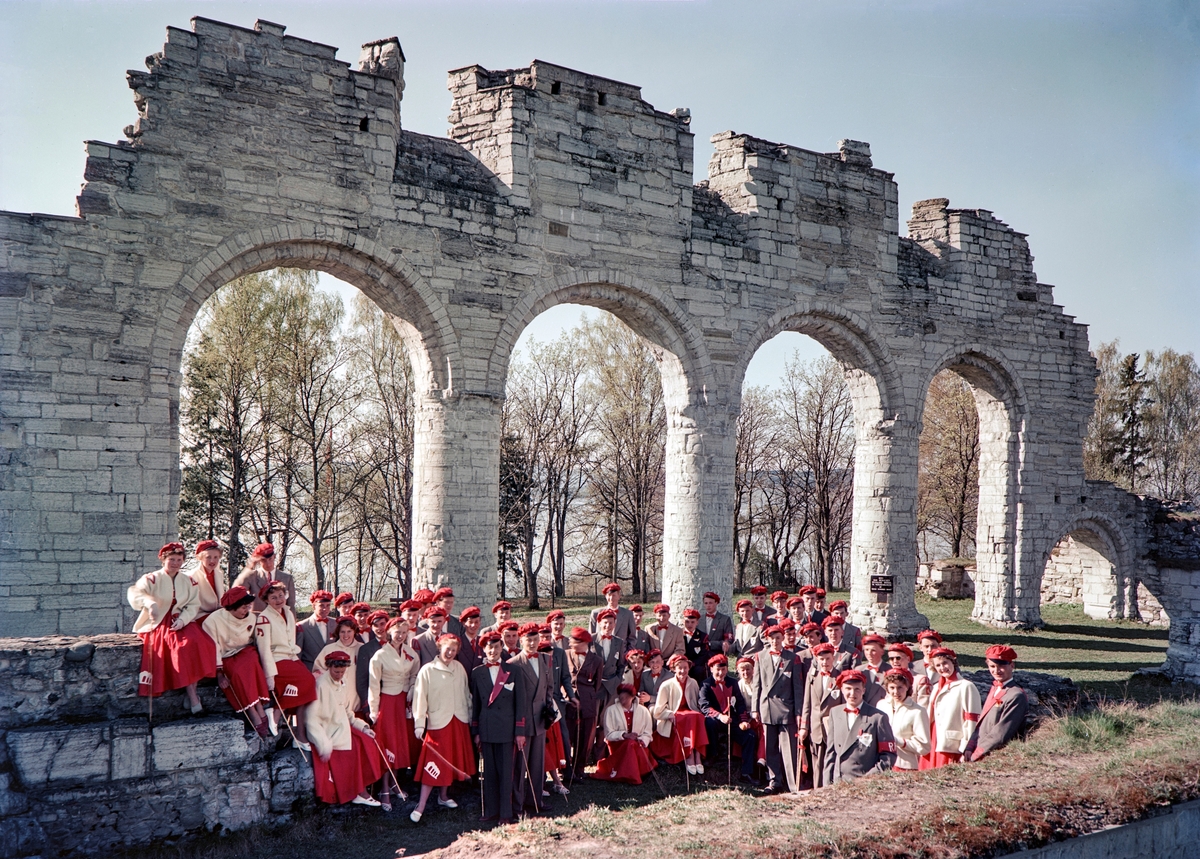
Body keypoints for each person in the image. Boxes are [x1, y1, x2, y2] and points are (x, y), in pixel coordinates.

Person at [127, 542, 216, 714]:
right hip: (160, 622)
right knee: (182, 647)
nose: (175, 563)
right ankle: (193, 697)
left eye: (179, 560)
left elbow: (193, 604)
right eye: (172, 559)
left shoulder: (189, 581)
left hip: (180, 620)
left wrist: (183, 620)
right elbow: (135, 592)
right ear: (163, 560)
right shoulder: (152, 579)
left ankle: (191, 693)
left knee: (203, 643)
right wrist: (150, 603)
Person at [410, 633, 476, 823]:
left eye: (454, 650)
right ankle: (421, 805)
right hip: (438, 722)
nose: (450, 653)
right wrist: (419, 724)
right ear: (439, 648)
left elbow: (466, 694)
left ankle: (443, 796)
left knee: (451, 760)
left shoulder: (459, 668)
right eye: (448, 649)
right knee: (434, 761)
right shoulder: (427, 670)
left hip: (458, 720)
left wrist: (470, 718)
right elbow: (420, 699)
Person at [306, 649, 383, 807]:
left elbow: (347, 711)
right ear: (329, 667)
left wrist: (363, 727)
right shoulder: (321, 685)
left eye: (342, 672)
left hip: (342, 727)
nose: (339, 675)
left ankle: (363, 789)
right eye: (336, 671)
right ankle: (359, 792)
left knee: (369, 741)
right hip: (328, 731)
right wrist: (322, 743)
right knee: (355, 747)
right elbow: (311, 719)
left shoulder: (343, 681)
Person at [470, 631, 527, 824]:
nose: (493, 651)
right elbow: (476, 705)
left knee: (506, 773)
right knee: (489, 773)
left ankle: (505, 813)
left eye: (496, 647)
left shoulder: (514, 671)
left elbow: (521, 703)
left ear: (502, 648)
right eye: (489, 647)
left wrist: (520, 732)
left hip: (507, 730)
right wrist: (476, 731)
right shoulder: (477, 673)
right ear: (483, 649)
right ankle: (491, 810)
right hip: (486, 729)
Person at [202, 585, 270, 736]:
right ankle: (252, 711)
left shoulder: (251, 618)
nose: (247, 610)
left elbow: (254, 640)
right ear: (233, 606)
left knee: (251, 660)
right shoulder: (213, 621)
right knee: (238, 672)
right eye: (243, 607)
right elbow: (213, 648)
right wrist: (219, 673)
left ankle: (259, 706)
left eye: (248, 607)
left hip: (245, 652)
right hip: (225, 656)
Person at [255, 580, 315, 748]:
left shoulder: (288, 613)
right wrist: (270, 676)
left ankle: (297, 733)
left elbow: (291, 642)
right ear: (266, 600)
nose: (278, 600)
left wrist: (296, 660)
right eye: (273, 597)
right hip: (276, 660)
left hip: (290, 657)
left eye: (281, 596)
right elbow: (264, 649)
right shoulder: (264, 618)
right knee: (307, 681)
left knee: (308, 686)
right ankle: (277, 710)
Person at [368, 616, 419, 811]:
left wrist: (412, 688)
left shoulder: (410, 652)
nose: (401, 636)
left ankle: (394, 784)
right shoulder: (380, 655)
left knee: (400, 743)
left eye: (404, 633)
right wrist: (374, 711)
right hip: (388, 702)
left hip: (404, 702)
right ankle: (384, 790)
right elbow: (374, 685)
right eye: (397, 632)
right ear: (389, 632)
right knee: (388, 743)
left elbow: (415, 673)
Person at [753, 623, 805, 793]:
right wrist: (755, 708)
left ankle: (793, 783)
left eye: (778, 638)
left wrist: (798, 712)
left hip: (786, 708)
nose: (775, 641)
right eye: (772, 638)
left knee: (789, 748)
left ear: (783, 638)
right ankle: (774, 781)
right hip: (767, 707)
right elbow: (757, 685)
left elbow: (797, 688)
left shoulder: (792, 658)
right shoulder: (760, 656)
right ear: (767, 640)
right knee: (770, 748)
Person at [822, 670, 896, 784]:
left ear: (863, 690)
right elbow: (830, 753)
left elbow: (889, 756)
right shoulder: (835, 713)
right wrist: (827, 785)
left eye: (857, 689)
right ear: (842, 690)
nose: (852, 694)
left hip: (864, 782)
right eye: (848, 689)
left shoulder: (878, 717)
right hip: (839, 782)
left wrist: (869, 778)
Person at [509, 622, 552, 813]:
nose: (533, 643)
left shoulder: (545, 659)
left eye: (536, 639)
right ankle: (517, 805)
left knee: (537, 765)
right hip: (523, 722)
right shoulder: (513, 663)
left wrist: (548, 709)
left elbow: (549, 687)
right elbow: (510, 698)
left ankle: (535, 801)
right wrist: (516, 725)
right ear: (521, 640)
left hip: (540, 721)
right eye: (529, 640)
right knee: (520, 766)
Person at [698, 653, 756, 783]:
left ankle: (747, 772)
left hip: (732, 719)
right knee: (710, 723)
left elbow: (740, 703)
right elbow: (704, 706)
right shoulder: (705, 685)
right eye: (718, 669)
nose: (721, 673)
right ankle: (713, 755)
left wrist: (743, 721)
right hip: (716, 719)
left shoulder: (733, 682)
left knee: (750, 735)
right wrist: (720, 716)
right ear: (711, 669)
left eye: (723, 669)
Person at [920, 647, 981, 770]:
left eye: (945, 663)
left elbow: (971, 719)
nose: (942, 668)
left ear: (953, 662)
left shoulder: (966, 686)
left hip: (951, 744)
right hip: (933, 739)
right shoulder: (936, 687)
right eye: (938, 665)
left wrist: (967, 746)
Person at [965, 645, 1029, 761]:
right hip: (980, 750)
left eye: (1001, 666)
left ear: (1012, 665)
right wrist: (970, 747)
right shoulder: (995, 688)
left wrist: (976, 755)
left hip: (996, 756)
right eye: (992, 666)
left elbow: (1000, 733)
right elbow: (981, 723)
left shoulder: (1016, 695)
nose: (996, 671)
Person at [650, 653, 708, 775]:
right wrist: (669, 714)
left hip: (689, 712)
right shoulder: (666, 685)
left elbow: (696, 705)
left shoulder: (693, 683)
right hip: (674, 714)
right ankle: (689, 755)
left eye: (685, 668)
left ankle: (697, 756)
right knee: (687, 718)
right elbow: (658, 711)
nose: (682, 671)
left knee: (697, 717)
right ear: (674, 669)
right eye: (679, 668)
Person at [593, 684, 656, 784]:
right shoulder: (611, 710)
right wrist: (624, 735)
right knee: (629, 744)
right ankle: (632, 777)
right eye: (621, 697)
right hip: (618, 744)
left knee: (632, 745)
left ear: (633, 697)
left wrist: (642, 740)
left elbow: (648, 733)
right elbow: (608, 734)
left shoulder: (644, 711)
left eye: (626, 697)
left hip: (638, 744)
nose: (623, 700)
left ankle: (634, 773)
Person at [800, 641, 841, 788]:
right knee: (817, 762)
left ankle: (833, 788)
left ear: (833, 658)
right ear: (817, 660)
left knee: (833, 761)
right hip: (816, 726)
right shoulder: (812, 677)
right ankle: (818, 789)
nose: (825, 662)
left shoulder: (839, 677)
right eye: (821, 659)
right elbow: (807, 703)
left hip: (833, 727)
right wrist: (804, 726)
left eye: (828, 659)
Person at [565, 627, 604, 778]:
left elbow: (597, 684)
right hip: (568, 701)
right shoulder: (565, 655)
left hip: (588, 703)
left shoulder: (596, 660)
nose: (570, 643)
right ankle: (565, 769)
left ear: (584, 643)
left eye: (573, 641)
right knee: (567, 736)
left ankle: (579, 769)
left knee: (585, 737)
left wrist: (587, 696)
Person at [538, 629, 572, 797]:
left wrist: (571, 696)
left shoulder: (558, 655)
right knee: (541, 745)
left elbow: (564, 679)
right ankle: (542, 781)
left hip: (553, 708)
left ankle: (560, 777)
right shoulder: (533, 663)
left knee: (557, 741)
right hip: (537, 710)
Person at [879, 667, 929, 772]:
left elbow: (924, 747)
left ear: (907, 687)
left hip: (904, 766)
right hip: (881, 763)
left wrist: (900, 742)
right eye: (892, 687)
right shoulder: (881, 705)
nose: (896, 692)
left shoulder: (917, 711)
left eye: (900, 687)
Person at [234, 543, 295, 612]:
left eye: (270, 559)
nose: (268, 563)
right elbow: (235, 590)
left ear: (274, 556)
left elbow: (291, 606)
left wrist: (291, 618)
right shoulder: (252, 576)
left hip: (280, 617)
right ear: (258, 561)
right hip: (258, 617)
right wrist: (250, 567)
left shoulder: (287, 578)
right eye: (263, 560)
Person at [591, 609, 626, 709]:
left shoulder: (619, 642)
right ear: (599, 623)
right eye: (605, 622)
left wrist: (618, 679)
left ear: (615, 624)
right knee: (594, 712)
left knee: (608, 713)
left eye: (611, 623)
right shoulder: (591, 639)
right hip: (595, 684)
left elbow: (621, 664)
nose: (608, 626)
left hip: (611, 684)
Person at [735, 656, 765, 774]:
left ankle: (762, 758)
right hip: (746, 716)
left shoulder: (759, 683)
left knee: (763, 730)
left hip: (759, 714)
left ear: (753, 670)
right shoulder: (738, 685)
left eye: (748, 669)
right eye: (742, 670)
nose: (745, 673)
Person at [297, 590, 337, 670]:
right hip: (310, 671)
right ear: (314, 606)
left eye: (328, 605)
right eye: (321, 605)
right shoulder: (302, 626)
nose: (325, 609)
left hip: (331, 671)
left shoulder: (335, 624)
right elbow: (298, 655)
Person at [189, 539, 226, 614]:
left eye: (216, 557)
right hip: (199, 614)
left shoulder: (219, 574)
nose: (212, 561)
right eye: (208, 557)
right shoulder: (192, 576)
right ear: (200, 558)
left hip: (217, 612)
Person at [680, 608, 712, 683]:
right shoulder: (678, 634)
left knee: (699, 671)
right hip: (681, 662)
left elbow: (704, 654)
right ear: (683, 621)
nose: (689, 624)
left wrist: (692, 663)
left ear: (697, 622)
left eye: (692, 622)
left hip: (696, 665)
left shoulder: (703, 636)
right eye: (687, 622)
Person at [913, 630, 943, 706]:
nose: (929, 650)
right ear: (920, 647)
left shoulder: (947, 667)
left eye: (933, 646)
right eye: (926, 646)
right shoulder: (912, 667)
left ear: (939, 647)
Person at [456, 606, 483, 677]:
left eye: (476, 622)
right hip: (463, 680)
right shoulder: (458, 643)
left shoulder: (484, 642)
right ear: (464, 623)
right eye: (470, 622)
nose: (473, 625)